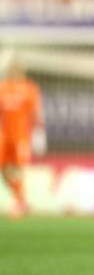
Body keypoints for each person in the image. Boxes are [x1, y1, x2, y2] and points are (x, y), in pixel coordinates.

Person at [0, 59, 45, 218]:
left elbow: (36, 112)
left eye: (16, 69)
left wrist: (39, 133)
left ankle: (19, 203)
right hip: (4, 137)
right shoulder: (2, 88)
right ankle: (21, 201)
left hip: (21, 136)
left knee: (18, 168)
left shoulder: (29, 88)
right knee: (4, 170)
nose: (13, 71)